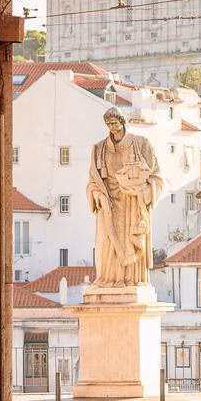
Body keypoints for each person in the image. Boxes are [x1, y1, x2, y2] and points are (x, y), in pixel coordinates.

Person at [86, 107, 162, 287]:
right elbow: (92, 183)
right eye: (108, 124)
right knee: (107, 243)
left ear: (122, 121)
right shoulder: (99, 149)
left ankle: (132, 280)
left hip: (132, 204)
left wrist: (141, 192)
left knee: (130, 242)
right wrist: (99, 196)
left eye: (114, 123)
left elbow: (156, 177)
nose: (112, 127)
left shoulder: (141, 144)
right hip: (109, 204)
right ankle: (109, 279)